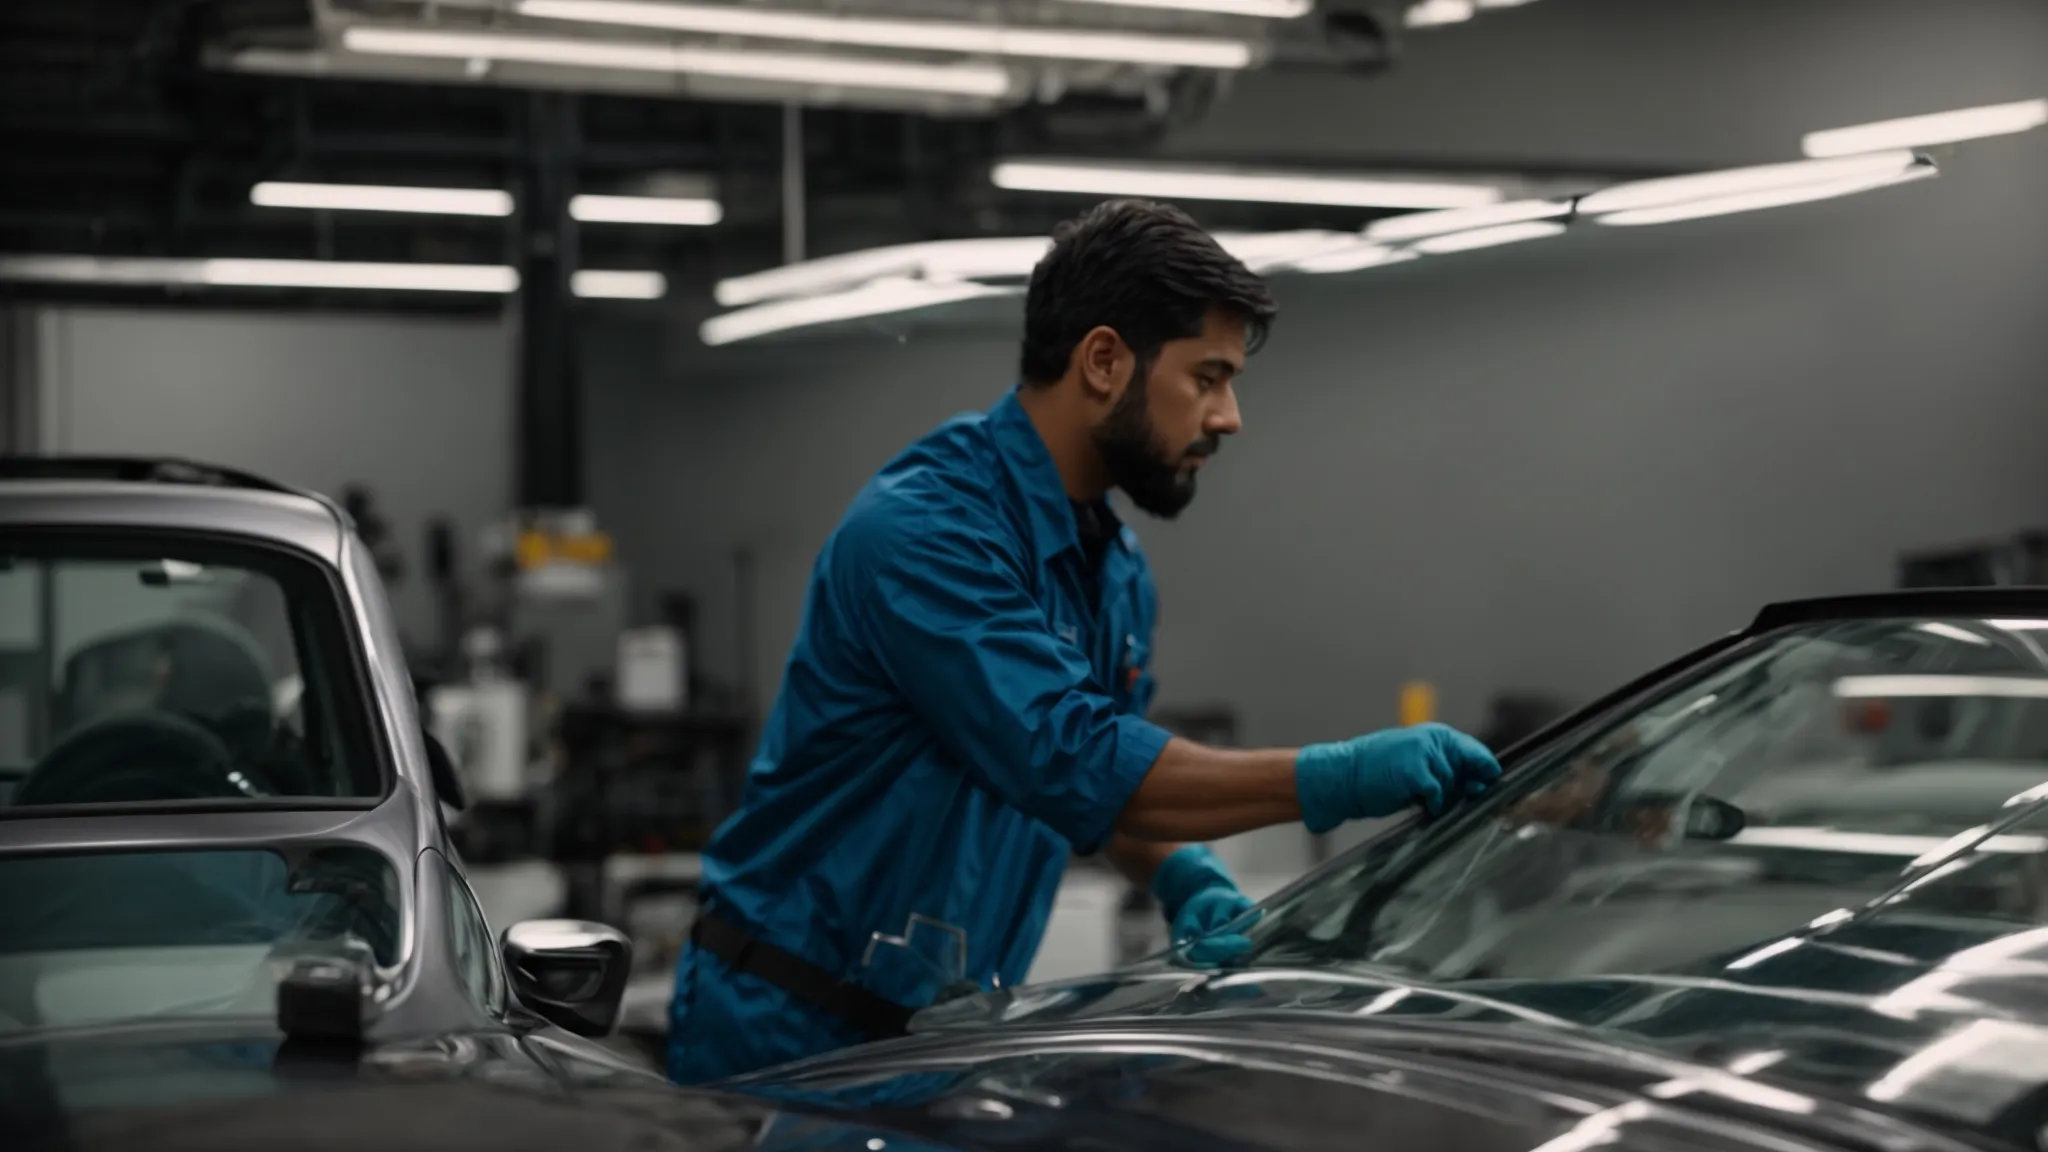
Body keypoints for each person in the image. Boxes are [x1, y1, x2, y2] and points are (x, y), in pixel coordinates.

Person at [666, 199, 1502, 1084]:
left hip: (940, 1046)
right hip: (789, 1036)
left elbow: (1106, 800)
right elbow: (1078, 763)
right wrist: (1339, 778)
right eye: (1208, 377)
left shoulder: (1112, 567)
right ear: (1104, 361)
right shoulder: (925, 533)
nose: (1229, 418)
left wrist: (1184, 875)